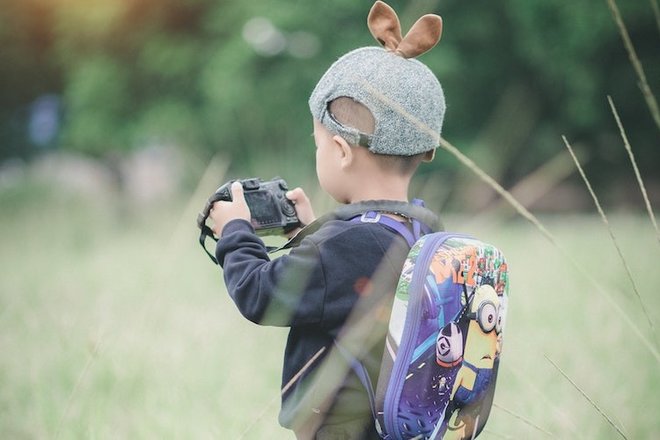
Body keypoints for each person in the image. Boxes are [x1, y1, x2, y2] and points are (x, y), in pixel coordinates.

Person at [209, 2, 446, 438]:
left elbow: (261, 295)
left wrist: (235, 231)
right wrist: (309, 234)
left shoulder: (340, 248)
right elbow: (349, 283)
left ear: (340, 150)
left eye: (318, 144)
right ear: (424, 148)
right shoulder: (425, 230)